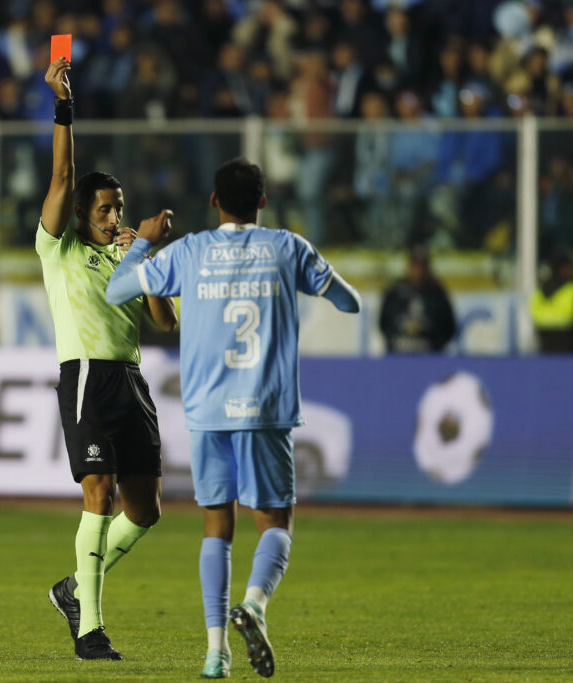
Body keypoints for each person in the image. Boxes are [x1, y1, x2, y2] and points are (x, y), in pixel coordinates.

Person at [106, 158, 362, 678]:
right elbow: (350, 303)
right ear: (263, 202)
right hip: (265, 407)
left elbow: (117, 291)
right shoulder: (287, 248)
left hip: (207, 410)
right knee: (276, 523)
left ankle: (216, 652)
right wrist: (323, 279)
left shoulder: (191, 251)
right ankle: (255, 604)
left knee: (216, 527)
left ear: (213, 202)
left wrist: (143, 243)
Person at [37, 57, 177, 661]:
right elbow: (64, 176)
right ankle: (90, 630)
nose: (114, 215)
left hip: (132, 380)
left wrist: (143, 256)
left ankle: (74, 588)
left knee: (144, 511)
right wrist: (64, 105)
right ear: (79, 213)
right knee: (99, 492)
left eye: (119, 207)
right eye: (105, 208)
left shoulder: (131, 256)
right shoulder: (59, 247)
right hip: (88, 375)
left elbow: (165, 321)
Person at [379, 246, 457, 353]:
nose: (419, 270)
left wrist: (433, 340)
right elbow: (384, 324)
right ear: (409, 266)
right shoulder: (395, 292)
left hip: (429, 353)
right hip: (399, 351)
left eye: (422, 266)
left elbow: (448, 327)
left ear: (428, 268)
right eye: (415, 265)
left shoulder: (437, 294)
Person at [529, 250, 573, 353]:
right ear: (562, 269)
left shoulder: (538, 292)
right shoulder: (572, 290)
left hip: (545, 354)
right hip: (571, 355)